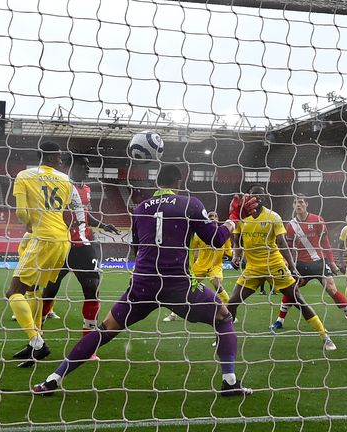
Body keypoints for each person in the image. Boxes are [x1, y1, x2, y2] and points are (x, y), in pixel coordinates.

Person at [33, 165, 257, 396]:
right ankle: (229, 382)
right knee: (223, 317)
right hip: (177, 286)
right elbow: (217, 239)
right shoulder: (190, 203)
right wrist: (233, 218)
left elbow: (137, 249)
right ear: (180, 182)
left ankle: (52, 379)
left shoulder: (140, 208)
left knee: (104, 329)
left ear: (157, 183)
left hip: (142, 285)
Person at [228, 185, 336, 351]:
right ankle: (226, 339)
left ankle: (325, 336)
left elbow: (282, 244)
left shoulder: (273, 217)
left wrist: (293, 267)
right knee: (232, 302)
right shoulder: (243, 218)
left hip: (275, 265)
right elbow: (236, 239)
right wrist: (236, 255)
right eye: (253, 195)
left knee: (298, 300)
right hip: (253, 268)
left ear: (265, 198)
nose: (256, 198)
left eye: (260, 196)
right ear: (248, 197)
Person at [39, 154, 120, 361]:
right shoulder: (61, 185)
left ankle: (88, 347)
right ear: (68, 165)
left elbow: (84, 213)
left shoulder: (87, 189)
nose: (87, 169)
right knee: (50, 290)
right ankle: (37, 340)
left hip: (83, 245)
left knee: (92, 288)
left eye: (88, 165)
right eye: (83, 165)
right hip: (60, 245)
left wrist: (102, 224)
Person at [6, 141, 74, 368]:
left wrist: (29, 223)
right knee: (35, 290)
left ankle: (37, 342)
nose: (62, 161)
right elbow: (63, 209)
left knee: (14, 290)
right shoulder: (65, 180)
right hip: (63, 240)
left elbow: (21, 213)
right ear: (55, 158)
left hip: (42, 238)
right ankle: (35, 343)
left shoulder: (24, 175)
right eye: (61, 157)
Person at [271, 194, 347, 333]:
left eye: (301, 202)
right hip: (300, 265)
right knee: (291, 291)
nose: (298, 205)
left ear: (306, 204)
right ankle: (279, 321)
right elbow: (288, 247)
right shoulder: (291, 225)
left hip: (319, 263)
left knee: (332, 290)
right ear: (293, 205)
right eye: (295, 202)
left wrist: (331, 262)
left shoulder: (318, 220)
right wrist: (287, 263)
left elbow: (325, 243)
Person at [163, 211, 233, 322]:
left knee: (217, 283)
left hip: (215, 266)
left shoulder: (223, 233)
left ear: (218, 219)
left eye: (215, 216)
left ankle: (231, 311)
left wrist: (233, 256)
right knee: (187, 288)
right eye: (210, 216)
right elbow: (192, 250)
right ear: (207, 219)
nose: (213, 218)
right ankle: (173, 314)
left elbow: (229, 251)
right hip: (200, 265)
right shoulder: (200, 234)